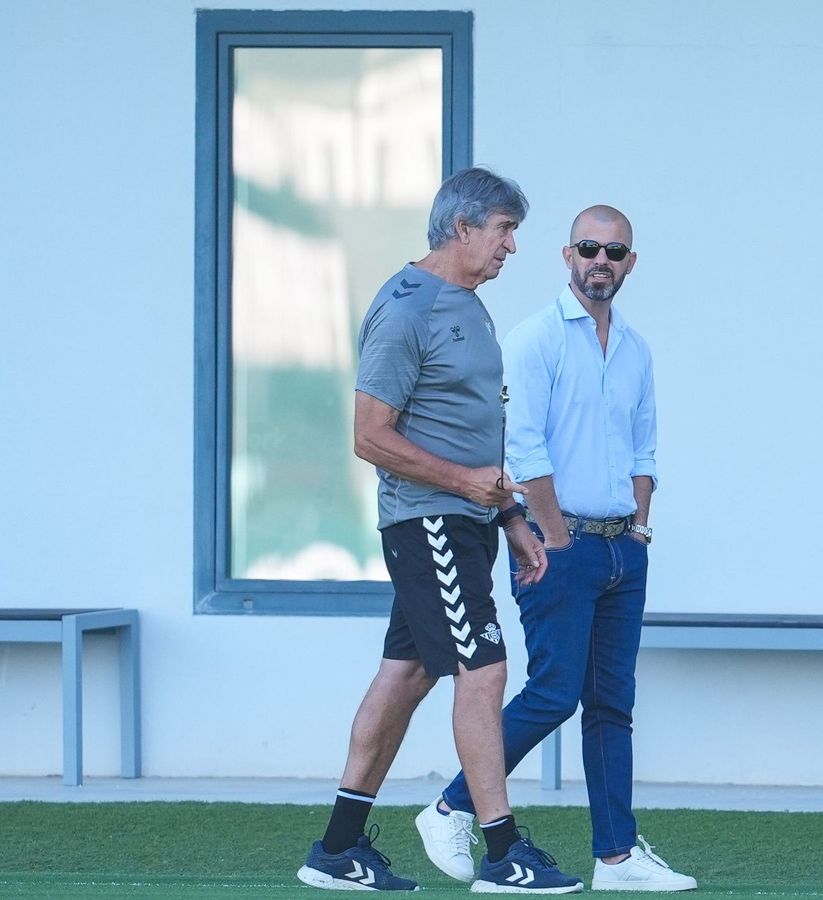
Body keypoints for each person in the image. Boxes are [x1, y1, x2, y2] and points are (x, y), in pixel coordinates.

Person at [297, 167, 583, 894]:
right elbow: (369, 436)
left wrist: (511, 514)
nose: (512, 246)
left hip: (466, 519)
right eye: (503, 230)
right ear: (462, 228)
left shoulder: (469, 304)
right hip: (428, 521)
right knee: (483, 671)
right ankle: (502, 853)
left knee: (408, 673)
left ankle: (336, 850)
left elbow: (472, 429)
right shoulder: (405, 309)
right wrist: (466, 488)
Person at [415, 206, 696, 892]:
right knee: (554, 693)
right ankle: (450, 806)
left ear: (631, 263)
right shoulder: (535, 338)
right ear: (567, 255)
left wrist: (640, 532)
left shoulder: (635, 348)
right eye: (590, 248)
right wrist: (557, 538)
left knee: (611, 705)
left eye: (616, 251)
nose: (602, 260)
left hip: (622, 551)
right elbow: (523, 445)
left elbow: (644, 447)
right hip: (554, 544)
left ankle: (618, 858)